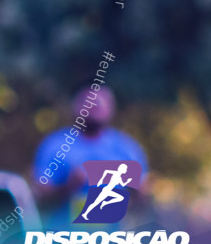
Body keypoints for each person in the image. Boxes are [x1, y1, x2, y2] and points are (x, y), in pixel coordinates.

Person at [32, 87, 148, 229]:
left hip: (111, 240)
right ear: (75, 108)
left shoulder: (126, 148)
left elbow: (143, 197)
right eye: (89, 104)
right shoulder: (55, 146)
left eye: (100, 105)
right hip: (63, 237)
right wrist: (68, 186)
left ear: (111, 109)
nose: (94, 108)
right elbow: (40, 198)